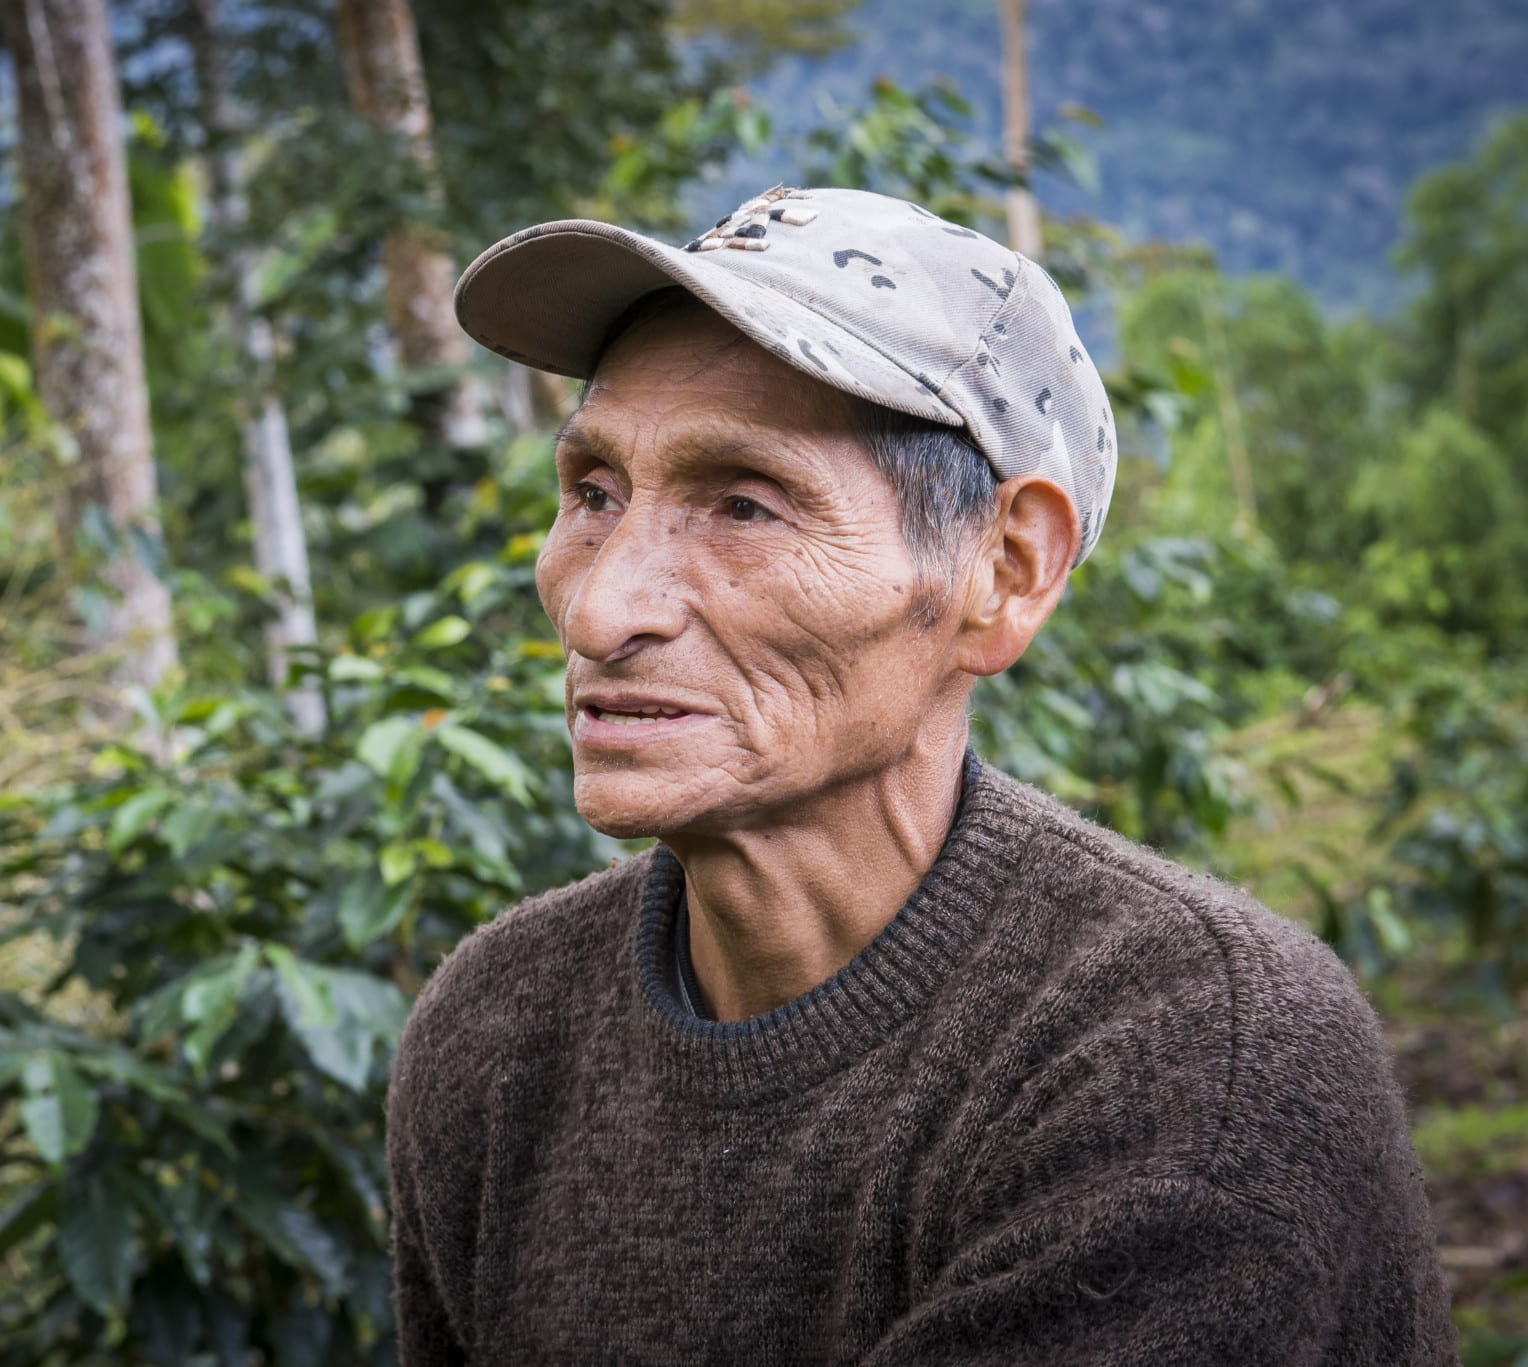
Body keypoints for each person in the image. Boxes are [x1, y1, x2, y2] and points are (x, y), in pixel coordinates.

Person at [384, 186, 1454, 1365]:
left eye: (742, 503)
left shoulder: (1194, 1060)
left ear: (1001, 569)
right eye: (591, 494)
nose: (599, 607)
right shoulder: (498, 1026)